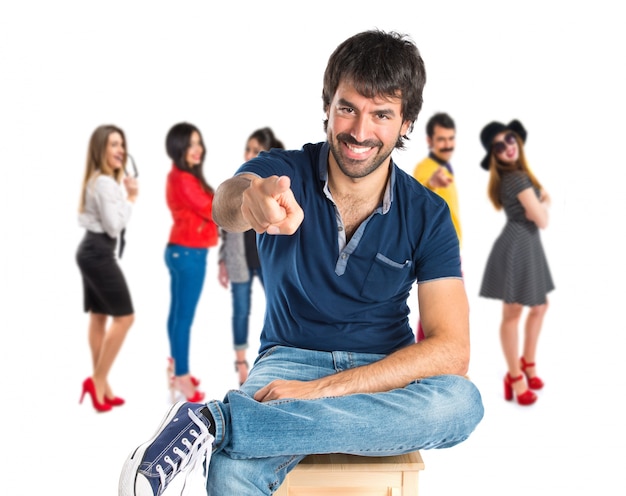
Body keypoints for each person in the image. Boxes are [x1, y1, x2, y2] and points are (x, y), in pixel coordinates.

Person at [118, 30, 484, 496]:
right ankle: (240, 426)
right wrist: (253, 201)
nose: (359, 131)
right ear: (327, 107)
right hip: (286, 360)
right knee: (231, 473)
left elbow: (453, 348)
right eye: (348, 108)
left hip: (382, 370)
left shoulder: (428, 213)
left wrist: (322, 390)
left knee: (462, 403)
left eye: (382, 115)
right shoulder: (283, 171)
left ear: (407, 123)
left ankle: (218, 421)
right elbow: (227, 201)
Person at [478, 119, 554, 406]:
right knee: (513, 314)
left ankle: (528, 363)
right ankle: (514, 375)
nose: (507, 147)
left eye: (510, 139)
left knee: (539, 306)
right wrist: (544, 199)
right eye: (499, 145)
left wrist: (539, 196)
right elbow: (543, 220)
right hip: (518, 245)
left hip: (526, 244)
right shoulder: (518, 179)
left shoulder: (519, 176)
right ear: (494, 155)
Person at [76, 124, 138, 413]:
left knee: (100, 316)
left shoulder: (99, 181)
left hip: (91, 250)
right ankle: (97, 380)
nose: (120, 150)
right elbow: (114, 227)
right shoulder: (104, 183)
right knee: (125, 318)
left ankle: (102, 385)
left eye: (121, 144)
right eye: (114, 144)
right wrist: (131, 199)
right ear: (101, 149)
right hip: (98, 252)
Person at [218, 127, 285, 385]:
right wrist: (222, 260)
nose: (249, 154)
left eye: (256, 149)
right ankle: (240, 362)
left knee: (277, 308)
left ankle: (273, 359)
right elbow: (225, 225)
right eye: (248, 148)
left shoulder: (276, 184)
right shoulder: (238, 183)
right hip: (240, 259)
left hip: (265, 260)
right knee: (240, 310)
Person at [164, 122, 218, 403]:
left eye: (199, 143)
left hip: (181, 251)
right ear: (178, 148)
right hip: (189, 253)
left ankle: (176, 365)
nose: (198, 150)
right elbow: (212, 209)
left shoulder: (182, 177)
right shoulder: (183, 179)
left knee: (177, 314)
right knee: (183, 317)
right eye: (191, 144)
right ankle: (182, 375)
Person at [412, 112, 460, 342]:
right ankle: (432, 356)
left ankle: (430, 355)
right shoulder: (428, 167)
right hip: (436, 249)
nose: (447, 144)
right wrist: (433, 182)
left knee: (442, 310)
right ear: (430, 141)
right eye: (441, 139)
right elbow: (419, 192)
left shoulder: (445, 166)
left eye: (450, 139)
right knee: (447, 311)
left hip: (450, 248)